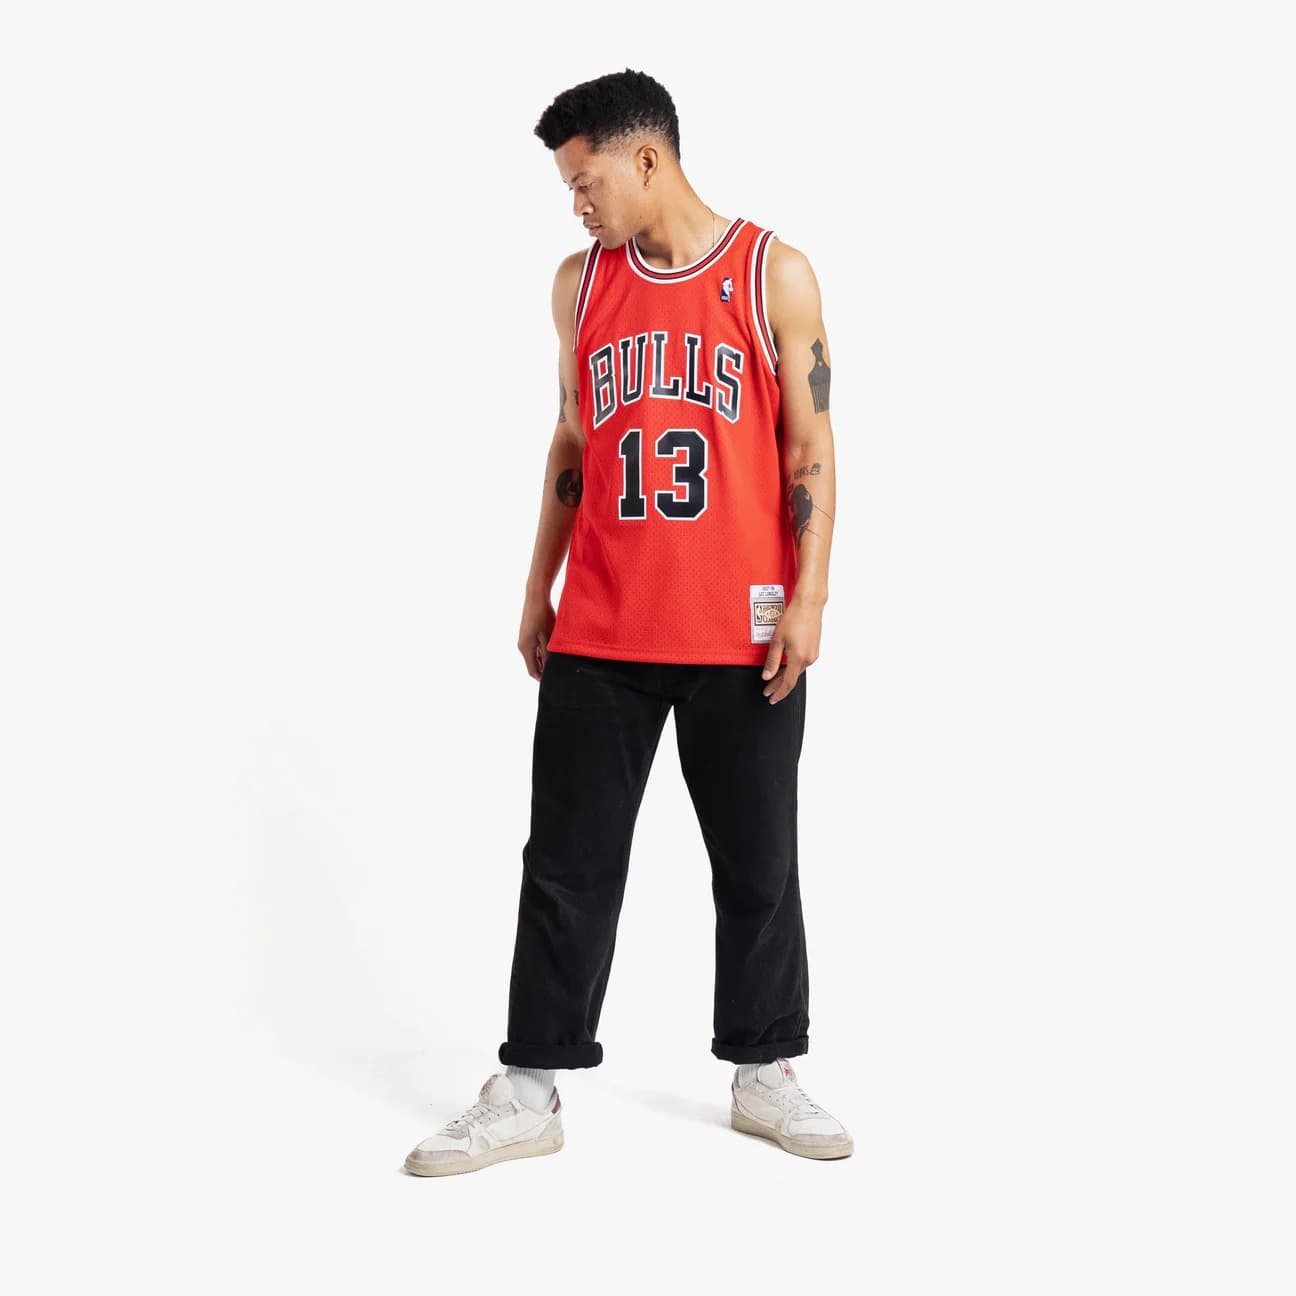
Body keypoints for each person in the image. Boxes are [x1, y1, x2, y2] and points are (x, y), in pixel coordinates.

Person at [405, 68, 847, 1177]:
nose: (576, 203)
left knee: (759, 860)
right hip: (602, 628)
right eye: (567, 185)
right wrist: (536, 587)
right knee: (565, 864)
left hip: (740, 633)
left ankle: (764, 1068)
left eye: (585, 179)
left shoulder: (772, 273)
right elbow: (571, 440)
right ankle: (529, 1087)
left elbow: (810, 447)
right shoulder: (581, 286)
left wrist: (809, 597)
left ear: (646, 159)